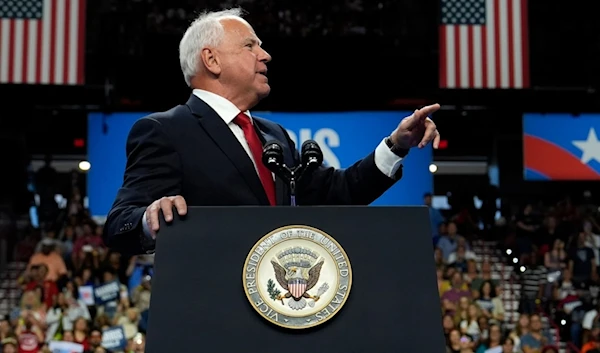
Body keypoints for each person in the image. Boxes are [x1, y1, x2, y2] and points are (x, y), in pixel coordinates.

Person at [102, 8, 441, 255]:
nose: (265, 55)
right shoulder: (165, 130)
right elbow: (119, 224)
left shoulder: (273, 135)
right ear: (212, 60)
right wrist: (150, 217)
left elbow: (339, 192)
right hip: (210, 313)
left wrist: (396, 145)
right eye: (250, 46)